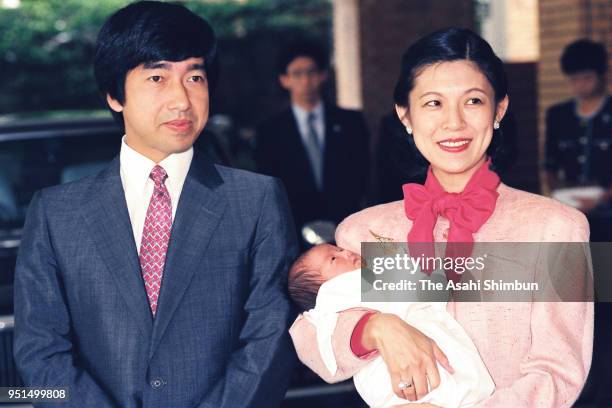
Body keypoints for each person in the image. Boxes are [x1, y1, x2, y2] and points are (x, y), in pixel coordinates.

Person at [13, 2, 298, 407]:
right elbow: (38, 352)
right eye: (157, 77)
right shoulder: (56, 215)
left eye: (195, 77)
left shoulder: (256, 200)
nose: (181, 99)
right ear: (115, 94)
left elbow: (270, 338)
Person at [289, 28, 593, 408]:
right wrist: (376, 328)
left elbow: (559, 371)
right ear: (405, 115)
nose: (454, 123)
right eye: (433, 103)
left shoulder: (558, 228)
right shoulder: (363, 231)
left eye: (473, 101)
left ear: (498, 110)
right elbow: (310, 338)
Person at [288, 244, 494, 408]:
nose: (346, 253)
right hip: (398, 378)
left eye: (340, 249)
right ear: (320, 287)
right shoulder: (335, 295)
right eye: (333, 258)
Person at [255, 39, 370, 241]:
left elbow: (363, 173)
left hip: (348, 225)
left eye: (311, 72)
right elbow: (270, 186)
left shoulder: (351, 122)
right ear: (284, 79)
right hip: (293, 230)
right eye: (297, 74)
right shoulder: (270, 132)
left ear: (323, 75)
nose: (306, 81)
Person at [545, 39, 612, 217]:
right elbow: (549, 164)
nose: (580, 85)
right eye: (574, 80)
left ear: (603, 76)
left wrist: (602, 199)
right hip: (570, 207)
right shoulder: (558, 115)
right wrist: (560, 196)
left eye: (587, 78)